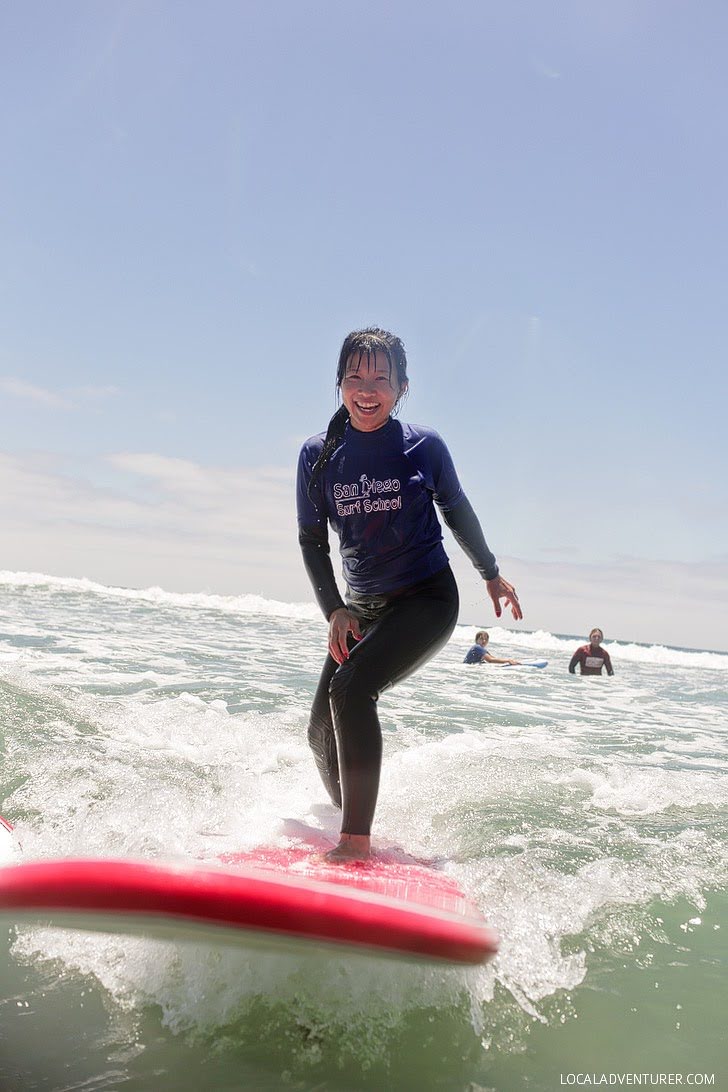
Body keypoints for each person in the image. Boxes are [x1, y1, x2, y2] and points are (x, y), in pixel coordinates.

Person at [296, 327, 522, 861]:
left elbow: (457, 510)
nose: (366, 390)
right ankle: (348, 815)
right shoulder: (318, 456)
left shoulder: (422, 445)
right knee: (319, 729)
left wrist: (489, 572)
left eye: (380, 379)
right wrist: (335, 608)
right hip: (363, 610)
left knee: (351, 691)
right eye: (355, 377)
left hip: (426, 600)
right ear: (339, 384)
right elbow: (311, 540)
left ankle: (355, 843)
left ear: (401, 387)